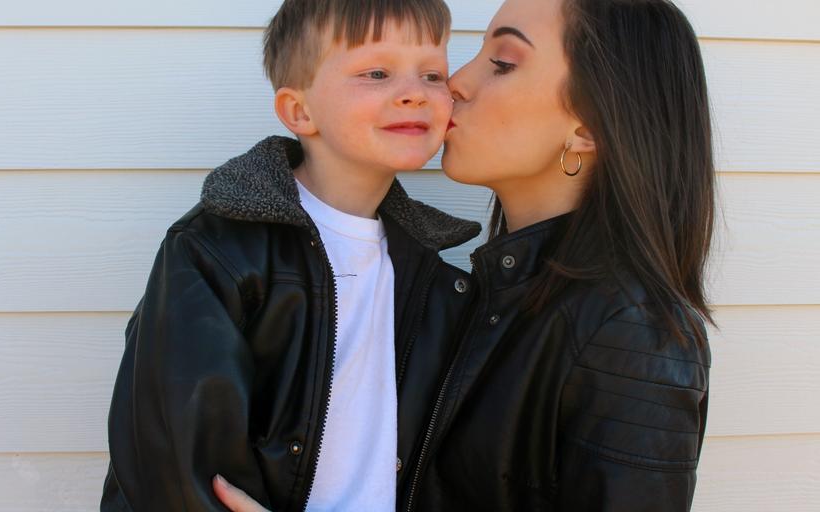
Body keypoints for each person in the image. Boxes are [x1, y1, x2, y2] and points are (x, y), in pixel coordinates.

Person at [215, 0, 715, 510]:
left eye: (502, 63)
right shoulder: (469, 295)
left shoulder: (634, 333)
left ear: (587, 128)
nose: (454, 83)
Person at [100, 0, 480, 510]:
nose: (416, 92)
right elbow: (169, 450)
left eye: (432, 74)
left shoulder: (438, 279)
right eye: (377, 73)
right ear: (300, 111)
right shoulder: (218, 249)